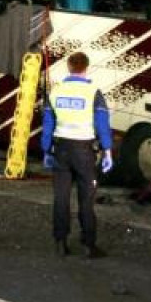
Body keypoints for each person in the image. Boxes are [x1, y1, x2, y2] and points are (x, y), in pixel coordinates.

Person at [41, 51, 113, 258]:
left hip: (60, 149)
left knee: (61, 198)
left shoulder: (55, 92)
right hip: (84, 151)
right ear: (86, 67)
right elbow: (102, 124)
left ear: (69, 67)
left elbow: (48, 125)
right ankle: (88, 245)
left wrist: (46, 150)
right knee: (86, 199)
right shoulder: (93, 92)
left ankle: (60, 242)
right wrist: (108, 151)